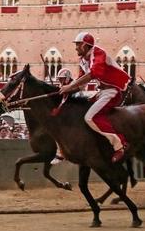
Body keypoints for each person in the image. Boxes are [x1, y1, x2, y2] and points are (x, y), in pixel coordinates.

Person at [58, 32, 132, 163]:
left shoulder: (98, 53)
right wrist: (65, 90)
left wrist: (69, 87)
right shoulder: (82, 60)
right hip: (102, 91)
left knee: (90, 117)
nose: (76, 48)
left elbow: (94, 73)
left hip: (113, 90)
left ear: (86, 45)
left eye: (78, 45)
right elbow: (81, 84)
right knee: (81, 112)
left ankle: (120, 145)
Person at [51, 67, 75, 164]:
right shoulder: (65, 87)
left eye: (62, 78)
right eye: (59, 79)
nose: (60, 81)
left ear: (67, 78)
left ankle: (60, 153)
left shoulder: (72, 86)